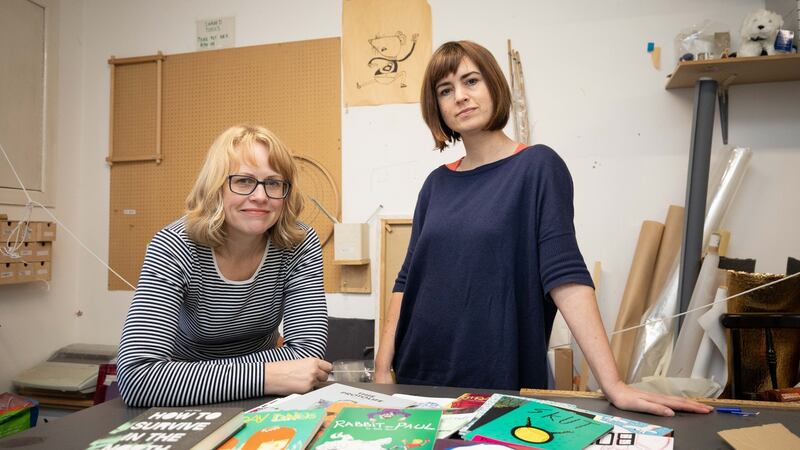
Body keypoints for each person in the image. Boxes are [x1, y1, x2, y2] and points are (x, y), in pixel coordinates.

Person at [375, 41, 713, 417]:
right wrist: (381, 369)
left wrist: (612, 384)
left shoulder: (537, 167)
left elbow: (564, 275)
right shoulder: (436, 183)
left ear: (493, 86)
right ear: (436, 106)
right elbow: (407, 280)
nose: (460, 97)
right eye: (445, 90)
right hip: (418, 374)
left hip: (495, 376)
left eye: (471, 81)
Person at [117, 125, 332, 407]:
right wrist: (267, 374)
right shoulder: (173, 246)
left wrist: (206, 374)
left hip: (259, 398)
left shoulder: (299, 244)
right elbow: (138, 378)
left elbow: (307, 353)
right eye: (243, 181)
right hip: (185, 401)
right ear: (215, 187)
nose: (260, 196)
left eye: (273, 183)